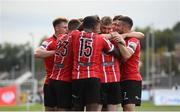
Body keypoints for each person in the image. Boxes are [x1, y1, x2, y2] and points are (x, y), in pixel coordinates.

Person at [71, 15, 114, 111]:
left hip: (77, 77)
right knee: (93, 109)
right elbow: (114, 51)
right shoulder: (100, 38)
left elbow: (78, 29)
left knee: (77, 108)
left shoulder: (75, 34)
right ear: (95, 27)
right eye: (98, 26)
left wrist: (84, 23)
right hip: (93, 78)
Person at [34, 17, 68, 111]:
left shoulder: (70, 40)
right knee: (49, 109)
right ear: (57, 28)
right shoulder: (49, 41)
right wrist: (56, 52)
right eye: (64, 27)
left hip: (64, 82)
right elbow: (37, 53)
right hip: (50, 82)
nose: (67, 29)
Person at [48, 19, 81, 111]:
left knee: (53, 109)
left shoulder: (60, 37)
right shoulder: (75, 37)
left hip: (52, 79)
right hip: (64, 81)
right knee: (64, 109)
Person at [112, 16, 142, 111]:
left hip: (130, 79)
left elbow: (126, 55)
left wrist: (121, 40)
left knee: (128, 108)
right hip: (116, 78)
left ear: (124, 27)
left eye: (118, 25)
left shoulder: (133, 40)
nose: (115, 27)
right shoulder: (116, 37)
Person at [99, 16, 122, 111]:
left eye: (109, 28)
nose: (106, 30)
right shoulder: (95, 37)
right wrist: (112, 35)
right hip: (100, 79)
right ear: (100, 26)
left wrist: (120, 37)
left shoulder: (117, 37)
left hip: (114, 78)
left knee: (112, 109)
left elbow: (139, 34)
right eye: (104, 28)